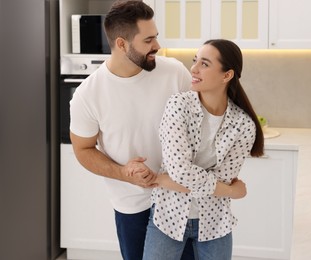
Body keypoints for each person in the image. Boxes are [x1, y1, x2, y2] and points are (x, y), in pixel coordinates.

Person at [69, 1, 195, 259]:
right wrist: (124, 173)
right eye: (148, 40)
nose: (157, 46)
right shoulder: (88, 94)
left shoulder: (174, 73)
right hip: (133, 207)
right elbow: (82, 149)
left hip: (183, 200)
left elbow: (199, 127)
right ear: (122, 44)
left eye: (156, 37)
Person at [142, 39, 264, 260]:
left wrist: (162, 180)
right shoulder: (178, 105)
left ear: (227, 75)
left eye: (204, 64)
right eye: (195, 60)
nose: (194, 69)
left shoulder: (244, 125)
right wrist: (231, 191)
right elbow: (180, 169)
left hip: (215, 223)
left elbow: (222, 178)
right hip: (168, 216)